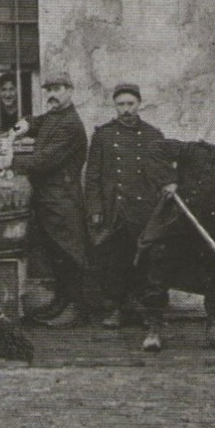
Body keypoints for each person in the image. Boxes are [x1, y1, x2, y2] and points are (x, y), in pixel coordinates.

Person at [136, 120, 215, 353]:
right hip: (174, 222)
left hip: (206, 229)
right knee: (157, 268)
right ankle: (154, 330)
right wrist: (167, 180)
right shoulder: (196, 152)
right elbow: (155, 149)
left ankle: (214, 331)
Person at [82, 82, 168, 328]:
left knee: (142, 261)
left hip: (144, 210)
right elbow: (93, 176)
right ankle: (115, 308)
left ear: (139, 104)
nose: (126, 109)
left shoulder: (153, 135)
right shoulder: (103, 135)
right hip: (114, 209)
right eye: (121, 104)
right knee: (114, 261)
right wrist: (95, 209)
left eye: (130, 104)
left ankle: (141, 307)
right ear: (115, 106)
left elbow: (162, 174)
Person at [11, 71, 91, 327]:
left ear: (70, 90)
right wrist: (24, 123)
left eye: (57, 88)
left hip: (63, 201)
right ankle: (61, 301)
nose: (52, 94)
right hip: (49, 200)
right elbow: (39, 122)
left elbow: (44, 161)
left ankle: (77, 308)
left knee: (69, 254)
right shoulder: (56, 116)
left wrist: (12, 161)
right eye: (48, 90)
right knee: (55, 254)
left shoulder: (71, 124)